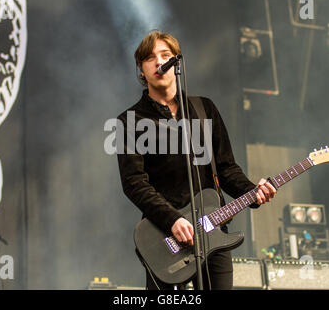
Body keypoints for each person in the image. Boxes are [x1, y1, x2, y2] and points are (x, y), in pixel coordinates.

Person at [116, 30, 276, 290]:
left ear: (177, 62)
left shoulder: (204, 109)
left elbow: (226, 168)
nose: (159, 62)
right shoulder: (129, 122)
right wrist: (172, 220)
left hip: (213, 232)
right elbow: (134, 183)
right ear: (141, 71)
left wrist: (251, 191)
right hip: (163, 237)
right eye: (150, 58)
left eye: (166, 55)